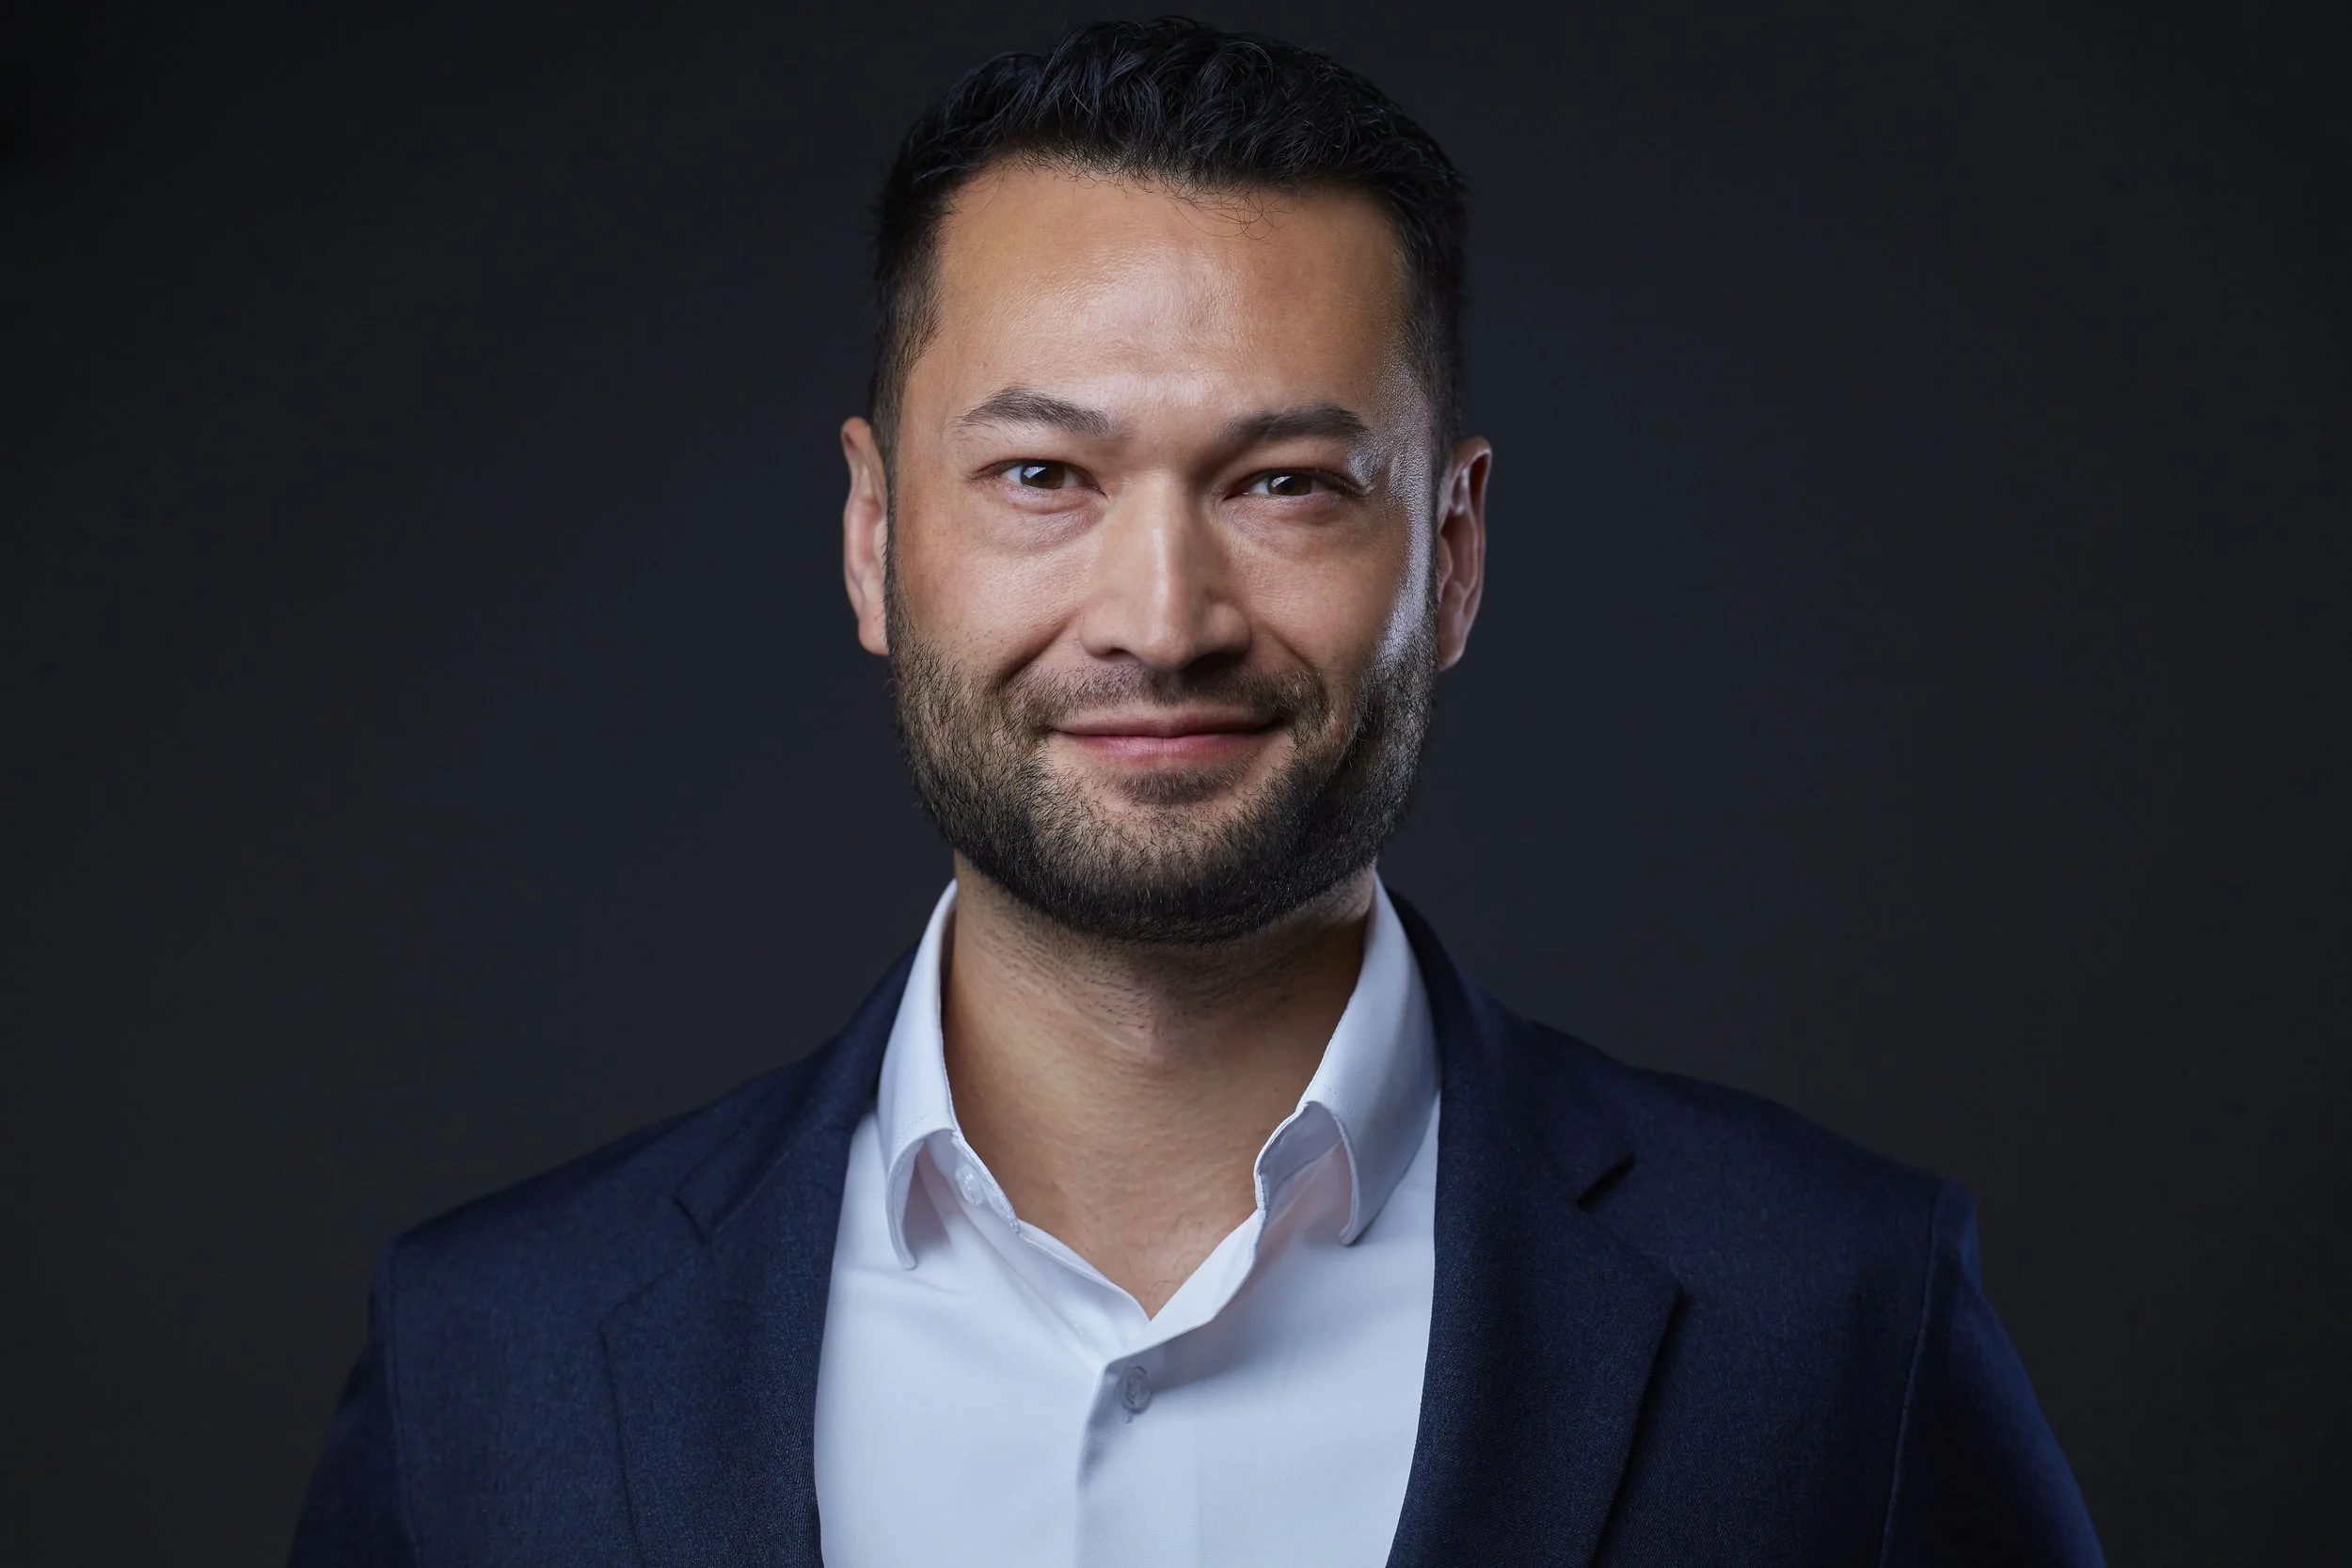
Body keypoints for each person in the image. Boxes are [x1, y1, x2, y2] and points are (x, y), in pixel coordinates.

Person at [290, 18, 2103, 1566]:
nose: (1162, 622)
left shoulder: (1835, 1309)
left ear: (1454, 552)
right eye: (1039, 474)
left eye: (1289, 484)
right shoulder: (489, 1351)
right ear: (872, 534)